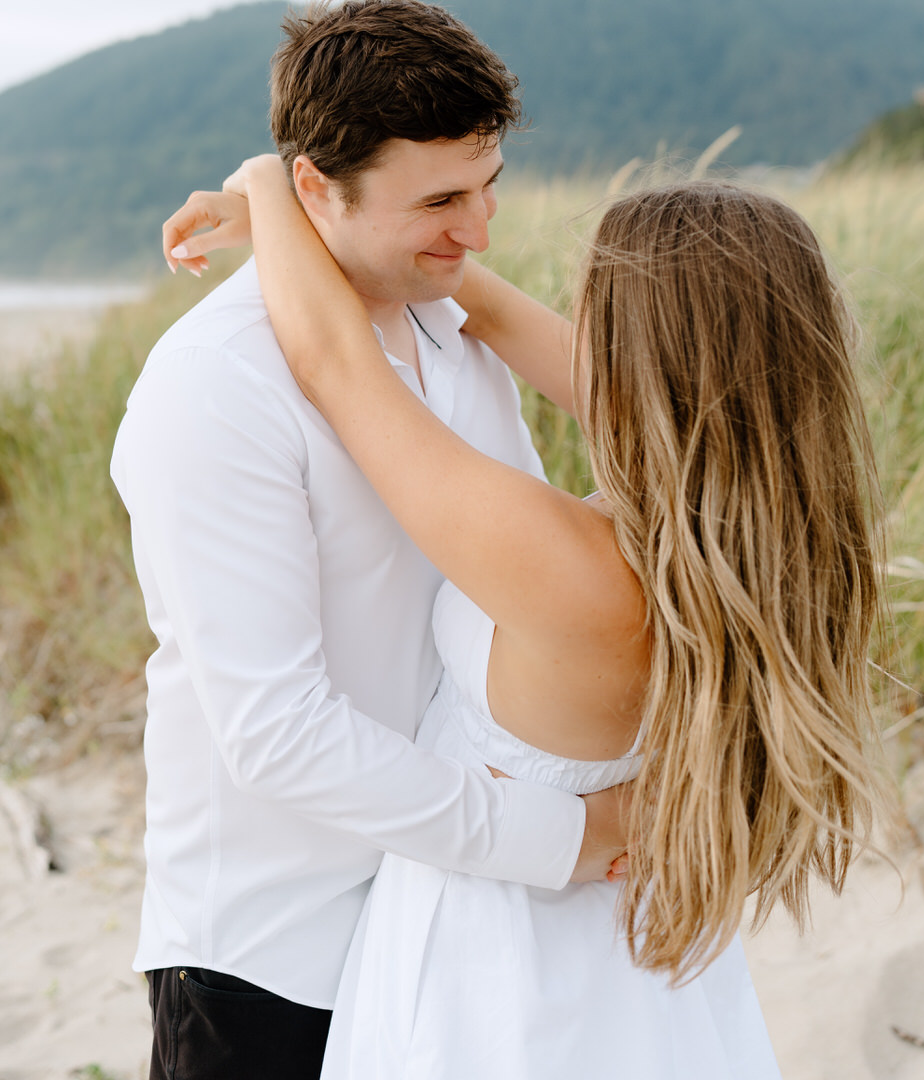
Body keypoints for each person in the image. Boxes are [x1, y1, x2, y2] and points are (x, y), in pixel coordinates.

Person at [167, 161, 887, 1079]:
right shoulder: (778, 542)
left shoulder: (576, 569)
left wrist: (272, 187)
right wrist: (368, 235)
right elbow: (507, 322)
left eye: (592, 307)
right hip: (627, 963)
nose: (571, 327)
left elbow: (337, 366)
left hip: (499, 969)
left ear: (637, 349)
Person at [111, 0, 628, 1080]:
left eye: (489, 188)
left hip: (459, 922)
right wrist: (561, 843)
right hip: (276, 948)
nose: (480, 230)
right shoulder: (215, 389)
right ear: (314, 188)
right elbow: (276, 729)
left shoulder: (461, 331)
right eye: (441, 199)